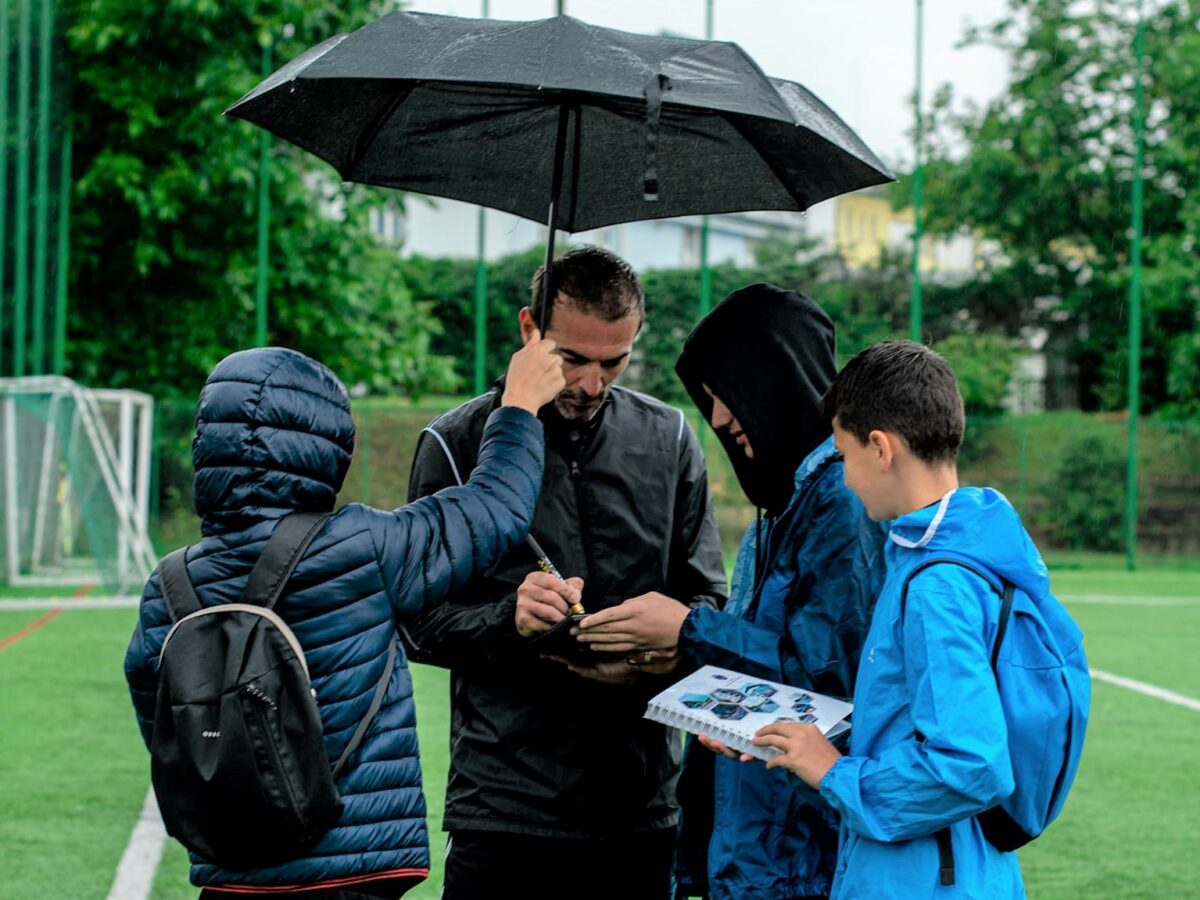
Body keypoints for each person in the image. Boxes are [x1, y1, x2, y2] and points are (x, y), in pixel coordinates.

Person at [124, 338, 565, 899]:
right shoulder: (363, 547)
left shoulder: (168, 584)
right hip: (354, 871)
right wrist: (520, 406)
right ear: (332, 448)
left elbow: (163, 720)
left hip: (233, 871)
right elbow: (495, 508)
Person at [403, 245, 727, 900]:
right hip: (505, 811)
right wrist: (510, 619)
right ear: (530, 330)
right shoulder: (455, 443)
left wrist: (656, 654)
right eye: (572, 359)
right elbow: (417, 623)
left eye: (615, 360)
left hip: (641, 811)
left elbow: (708, 603)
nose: (590, 383)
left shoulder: (669, 436)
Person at [575, 283, 886, 899]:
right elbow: (762, 661)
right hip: (756, 850)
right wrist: (660, 655)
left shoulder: (841, 503)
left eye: (725, 395)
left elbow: (828, 683)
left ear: (773, 379)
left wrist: (687, 631)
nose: (717, 418)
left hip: (801, 855)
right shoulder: (782, 506)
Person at [752, 339, 1032, 899]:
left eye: (844, 456)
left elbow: (973, 764)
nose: (846, 480)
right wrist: (802, 740)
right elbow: (918, 716)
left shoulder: (937, 585)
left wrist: (834, 771)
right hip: (947, 867)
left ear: (880, 448)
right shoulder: (953, 546)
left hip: (927, 877)